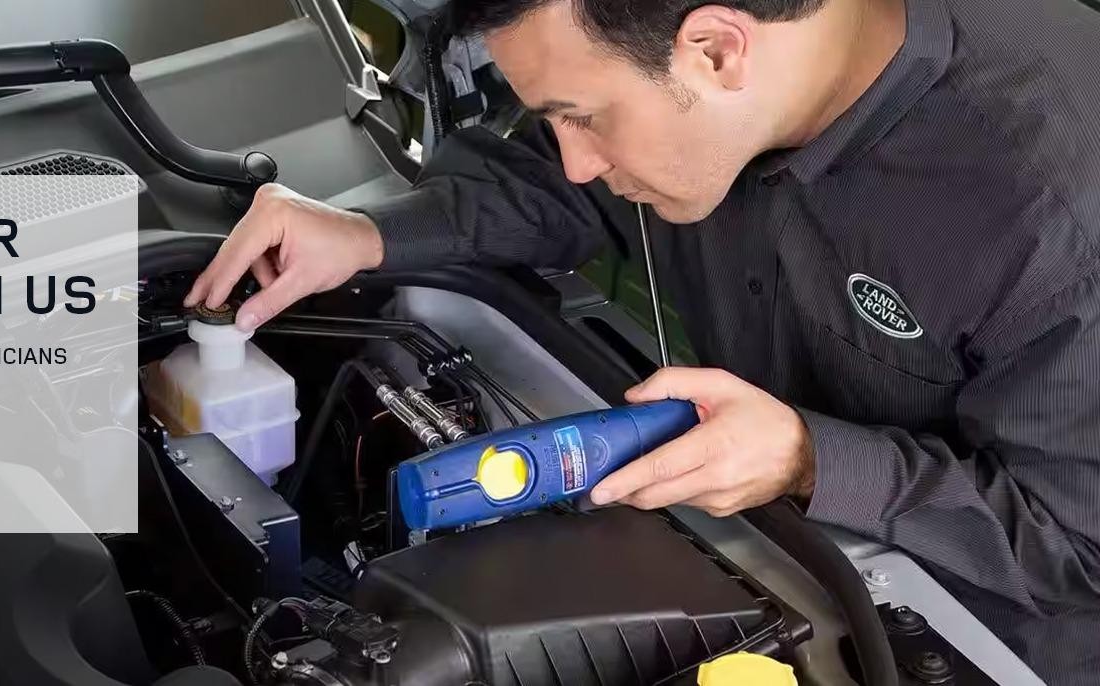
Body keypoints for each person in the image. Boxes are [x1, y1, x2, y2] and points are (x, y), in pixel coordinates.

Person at [184, 0, 1100, 680]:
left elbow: (1077, 551)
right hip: (756, 545)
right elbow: (561, 182)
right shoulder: (696, 75)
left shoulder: (1054, 210)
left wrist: (810, 460)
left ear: (715, 48)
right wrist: (374, 235)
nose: (574, 153)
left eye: (582, 117)